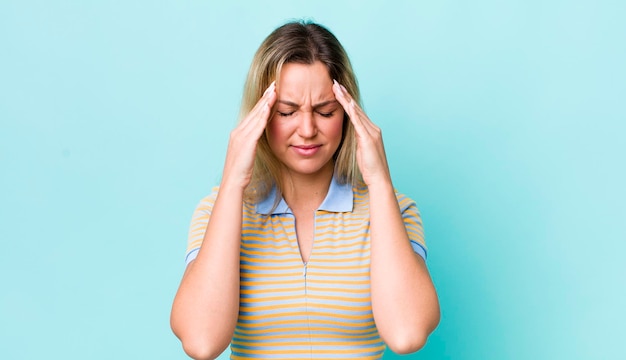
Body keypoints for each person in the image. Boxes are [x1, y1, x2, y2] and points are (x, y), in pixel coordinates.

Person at [170, 20, 440, 360]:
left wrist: (380, 183)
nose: (308, 129)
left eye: (326, 111)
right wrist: (233, 184)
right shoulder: (217, 211)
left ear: (347, 112)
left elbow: (407, 334)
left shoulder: (395, 210)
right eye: (287, 112)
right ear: (261, 115)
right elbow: (201, 342)